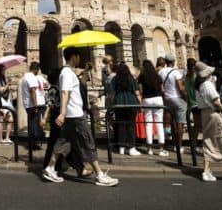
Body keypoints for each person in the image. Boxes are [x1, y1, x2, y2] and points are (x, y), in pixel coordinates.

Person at [42, 47, 118, 187]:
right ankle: (100, 175)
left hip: (72, 114)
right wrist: (63, 113)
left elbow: (75, 88)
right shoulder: (66, 73)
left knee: (63, 142)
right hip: (74, 115)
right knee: (87, 142)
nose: (80, 59)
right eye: (79, 56)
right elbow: (65, 93)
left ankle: (50, 168)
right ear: (74, 56)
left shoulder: (69, 72)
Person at [157, 55, 187, 153]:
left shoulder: (161, 72)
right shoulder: (176, 72)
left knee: (172, 123)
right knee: (179, 123)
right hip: (177, 98)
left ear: (165, 62)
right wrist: (186, 97)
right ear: (173, 62)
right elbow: (180, 88)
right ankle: (179, 146)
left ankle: (174, 143)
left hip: (166, 99)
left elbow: (160, 86)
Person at [140, 59, 168, 156]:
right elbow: (162, 89)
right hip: (157, 99)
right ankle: (161, 148)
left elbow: (140, 90)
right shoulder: (157, 76)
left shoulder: (142, 76)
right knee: (159, 123)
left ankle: (150, 148)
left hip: (147, 99)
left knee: (148, 123)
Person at [113, 62, 141, 155]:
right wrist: (140, 104)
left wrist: (112, 104)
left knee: (121, 125)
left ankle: (121, 147)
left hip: (119, 102)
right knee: (131, 125)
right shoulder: (131, 79)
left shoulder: (115, 79)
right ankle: (131, 147)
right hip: (131, 102)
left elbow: (112, 94)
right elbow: (137, 93)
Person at [20, 61, 46, 150]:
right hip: (32, 104)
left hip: (28, 104)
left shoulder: (25, 77)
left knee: (31, 124)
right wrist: (35, 105)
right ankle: (32, 144)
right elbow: (33, 91)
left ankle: (32, 144)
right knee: (34, 124)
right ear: (36, 69)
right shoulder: (31, 77)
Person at [0, 63, 13, 145]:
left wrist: (8, 85)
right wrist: (7, 84)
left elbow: (6, 89)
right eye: (3, 70)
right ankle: (1, 138)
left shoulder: (3, 79)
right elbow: (0, 90)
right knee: (1, 119)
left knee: (10, 119)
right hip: (0, 101)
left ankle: (7, 137)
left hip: (7, 100)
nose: (4, 71)